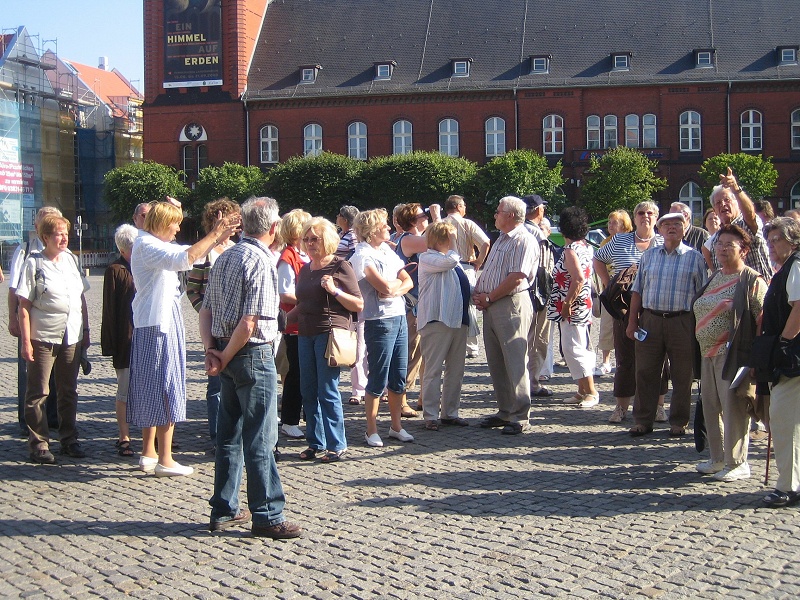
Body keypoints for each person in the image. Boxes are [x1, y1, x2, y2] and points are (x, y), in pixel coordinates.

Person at [200, 196, 302, 538]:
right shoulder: (260, 262)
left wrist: (213, 351)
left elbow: (205, 312)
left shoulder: (225, 256)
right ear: (273, 229)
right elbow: (249, 322)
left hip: (226, 353)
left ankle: (224, 509)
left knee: (228, 435)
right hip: (251, 353)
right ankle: (267, 514)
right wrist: (224, 355)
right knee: (261, 437)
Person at [128, 200, 239, 477]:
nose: (178, 229)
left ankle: (150, 453)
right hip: (159, 324)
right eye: (175, 223)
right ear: (163, 224)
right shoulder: (147, 245)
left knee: (153, 386)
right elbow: (184, 258)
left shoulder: (149, 243)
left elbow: (188, 253)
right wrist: (215, 234)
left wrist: (217, 238)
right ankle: (165, 458)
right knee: (166, 386)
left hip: (156, 322)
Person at [692, 224, 766, 481]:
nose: (722, 249)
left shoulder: (751, 280)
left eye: (729, 245)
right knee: (711, 407)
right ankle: (717, 458)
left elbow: (762, 319)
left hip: (733, 354)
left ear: (743, 250)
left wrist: (756, 357)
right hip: (707, 352)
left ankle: (738, 462)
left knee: (733, 408)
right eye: (719, 244)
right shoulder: (715, 276)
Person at [16, 214, 90, 463]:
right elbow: (23, 306)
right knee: (39, 391)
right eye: (58, 233)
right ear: (45, 237)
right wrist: (26, 341)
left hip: (72, 335)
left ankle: (69, 439)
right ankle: (39, 444)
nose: (64, 237)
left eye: (65, 233)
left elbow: (81, 299)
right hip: (43, 336)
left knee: (69, 390)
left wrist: (86, 333)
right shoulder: (33, 264)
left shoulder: (71, 259)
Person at [626, 212, 707, 437]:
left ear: (685, 228)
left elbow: (702, 296)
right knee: (645, 371)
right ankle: (643, 420)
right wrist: (632, 322)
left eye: (677, 224)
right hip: (650, 320)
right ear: (660, 229)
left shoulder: (695, 257)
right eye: (667, 224)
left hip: (682, 321)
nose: (672, 228)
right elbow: (637, 291)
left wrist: (699, 327)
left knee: (683, 374)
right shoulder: (649, 256)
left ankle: (679, 421)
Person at [292, 217, 363, 462]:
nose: (310, 244)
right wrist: (279, 320)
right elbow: (302, 304)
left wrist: (335, 290)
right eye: (307, 239)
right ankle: (315, 442)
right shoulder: (305, 268)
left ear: (328, 240)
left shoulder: (340, 266)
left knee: (327, 390)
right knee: (308, 391)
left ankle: (337, 444)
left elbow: (358, 303)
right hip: (305, 333)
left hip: (329, 333)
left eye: (315, 239)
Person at [594, 201, 668, 424]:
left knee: (658, 359)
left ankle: (659, 406)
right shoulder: (620, 240)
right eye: (641, 213)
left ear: (656, 217)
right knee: (625, 359)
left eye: (650, 213)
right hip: (624, 308)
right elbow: (598, 258)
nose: (645, 216)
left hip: (656, 307)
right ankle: (621, 407)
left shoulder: (664, 242)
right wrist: (608, 284)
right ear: (634, 218)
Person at [473, 196, 539, 435]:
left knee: (514, 360)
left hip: (510, 304)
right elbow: (493, 271)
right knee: (496, 361)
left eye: (498, 211)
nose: (495, 215)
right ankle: (505, 409)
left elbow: (516, 278)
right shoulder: (502, 238)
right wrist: (481, 293)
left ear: (510, 215)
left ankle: (520, 415)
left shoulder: (523, 240)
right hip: (493, 305)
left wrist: (489, 297)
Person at [350, 208, 415, 447]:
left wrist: (393, 288)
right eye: (385, 225)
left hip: (398, 316)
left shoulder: (387, 250)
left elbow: (406, 281)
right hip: (378, 320)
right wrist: (393, 288)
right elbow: (381, 287)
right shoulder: (362, 255)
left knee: (399, 374)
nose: (389, 228)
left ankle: (396, 426)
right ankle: (371, 429)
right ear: (372, 230)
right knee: (378, 374)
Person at [186, 198, 242, 454]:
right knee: (217, 383)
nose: (234, 223)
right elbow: (193, 291)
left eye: (235, 218)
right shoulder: (205, 253)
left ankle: (236, 434)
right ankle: (218, 436)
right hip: (215, 326)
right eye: (229, 219)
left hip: (239, 326)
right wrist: (207, 314)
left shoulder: (240, 248)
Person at [417, 221, 476, 430]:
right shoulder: (428, 258)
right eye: (451, 236)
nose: (455, 240)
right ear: (441, 238)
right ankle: (430, 415)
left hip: (458, 319)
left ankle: (450, 412)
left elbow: (464, 284)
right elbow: (449, 263)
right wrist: (453, 244)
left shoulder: (454, 260)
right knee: (433, 370)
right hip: (437, 320)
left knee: (456, 370)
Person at [8, 207, 62, 436]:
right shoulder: (25, 251)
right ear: (38, 227)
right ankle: (27, 421)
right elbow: (14, 289)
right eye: (44, 222)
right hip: (31, 324)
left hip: (58, 327)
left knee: (56, 377)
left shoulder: (65, 254)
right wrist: (13, 318)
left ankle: (53, 419)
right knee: (31, 376)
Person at [759, 218, 800, 507]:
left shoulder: (796, 265)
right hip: (789, 352)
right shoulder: (787, 267)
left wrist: (784, 342)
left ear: (793, 240)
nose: (772, 245)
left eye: (777, 240)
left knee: (784, 419)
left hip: (792, 356)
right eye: (770, 239)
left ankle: (787, 485)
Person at [547, 206, 599, 407]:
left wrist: (567, 303)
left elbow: (577, 278)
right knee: (577, 346)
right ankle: (581, 390)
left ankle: (591, 391)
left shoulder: (570, 250)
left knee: (573, 348)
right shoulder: (585, 246)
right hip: (581, 303)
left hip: (571, 304)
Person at [395, 202, 441, 416]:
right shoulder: (409, 239)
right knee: (410, 353)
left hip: (422, 303)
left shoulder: (413, 238)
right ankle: (401, 399)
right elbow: (441, 241)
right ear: (412, 221)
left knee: (423, 353)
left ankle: (423, 397)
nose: (426, 217)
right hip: (412, 304)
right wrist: (437, 216)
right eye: (423, 215)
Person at [101, 224, 138, 458]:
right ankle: (124, 436)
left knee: (146, 391)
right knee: (124, 391)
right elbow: (109, 310)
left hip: (144, 337)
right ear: (124, 249)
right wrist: (111, 344)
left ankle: (153, 435)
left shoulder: (144, 266)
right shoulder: (114, 270)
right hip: (125, 339)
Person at [277, 209, 312, 439]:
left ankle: (310, 415)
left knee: (309, 373)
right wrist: (309, 298)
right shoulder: (288, 257)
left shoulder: (307, 255)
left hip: (311, 322)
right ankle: (289, 419)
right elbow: (284, 292)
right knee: (296, 374)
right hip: (295, 324)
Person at [702, 168, 771, 282]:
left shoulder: (745, 224)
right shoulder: (717, 238)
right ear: (714, 209)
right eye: (718, 203)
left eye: (727, 200)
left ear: (737, 203)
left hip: (756, 291)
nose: (723, 204)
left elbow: (750, 214)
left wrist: (736, 189)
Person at [443, 194, 490, 359]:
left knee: (447, 304)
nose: (465, 209)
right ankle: (471, 346)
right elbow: (485, 242)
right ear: (458, 207)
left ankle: (449, 344)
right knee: (469, 305)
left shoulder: (440, 224)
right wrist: (479, 261)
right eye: (464, 206)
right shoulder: (467, 224)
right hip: (465, 265)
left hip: (443, 267)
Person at [523, 194, 556, 396]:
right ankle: (532, 383)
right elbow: (543, 271)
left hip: (517, 295)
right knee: (537, 340)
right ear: (539, 210)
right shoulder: (537, 234)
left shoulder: (515, 230)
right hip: (536, 296)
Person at [594, 210, 633, 377]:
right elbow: (598, 261)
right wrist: (608, 282)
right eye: (609, 222)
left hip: (630, 292)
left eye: (614, 222)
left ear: (624, 225)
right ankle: (605, 361)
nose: (610, 225)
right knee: (607, 326)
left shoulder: (631, 240)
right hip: (610, 292)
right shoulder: (605, 243)